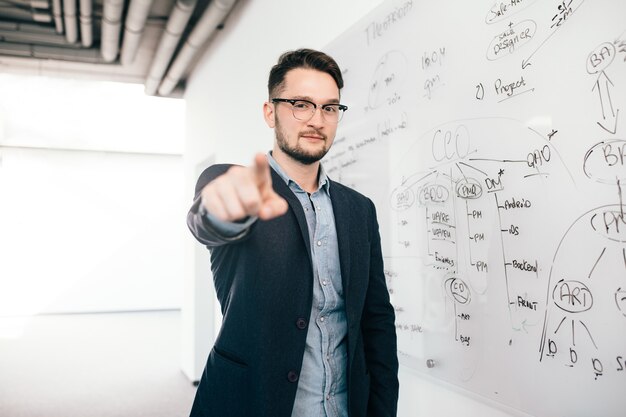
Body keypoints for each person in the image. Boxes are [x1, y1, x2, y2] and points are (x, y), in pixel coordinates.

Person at [187, 48, 398, 417]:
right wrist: (222, 210)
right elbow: (209, 221)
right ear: (270, 112)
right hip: (251, 403)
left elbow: (376, 319)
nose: (317, 119)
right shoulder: (235, 184)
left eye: (329, 108)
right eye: (301, 104)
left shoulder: (359, 209)